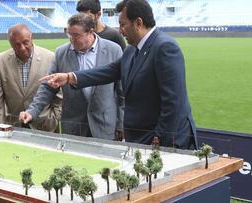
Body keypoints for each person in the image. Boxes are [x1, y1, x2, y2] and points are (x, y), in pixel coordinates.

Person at [39, 0, 197, 149]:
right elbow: (108, 72)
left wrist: (160, 137)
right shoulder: (132, 49)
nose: (120, 31)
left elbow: (173, 101)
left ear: (138, 23)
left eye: (122, 25)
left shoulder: (165, 47)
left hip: (163, 139)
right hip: (142, 136)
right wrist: (69, 77)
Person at [20, 13, 124, 141]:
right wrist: (32, 111)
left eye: (76, 35)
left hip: (105, 126)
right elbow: (47, 87)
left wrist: (121, 124)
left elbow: (122, 93)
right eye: (69, 34)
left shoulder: (114, 50)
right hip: (74, 127)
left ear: (91, 32)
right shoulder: (61, 53)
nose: (71, 39)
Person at [0, 24, 62, 132]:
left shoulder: (50, 58)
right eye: (17, 45)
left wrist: (55, 117)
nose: (22, 48)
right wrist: (0, 125)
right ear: (10, 43)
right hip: (14, 126)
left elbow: (60, 93)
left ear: (31, 37)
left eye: (25, 42)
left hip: (45, 125)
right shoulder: (0, 60)